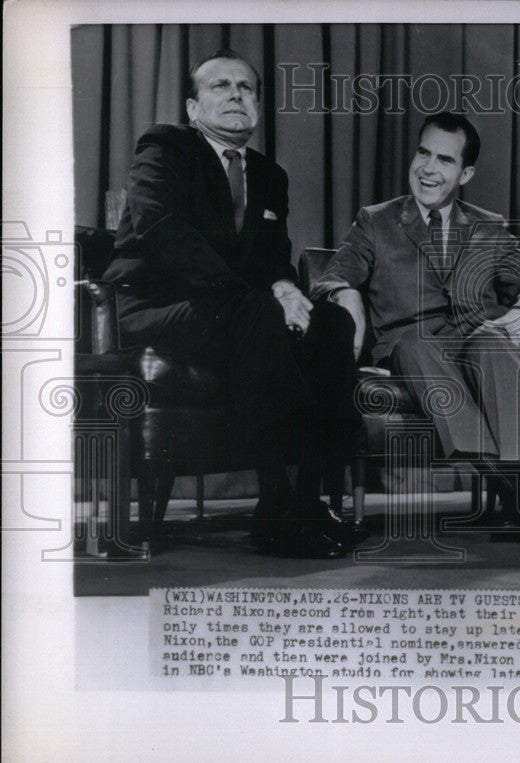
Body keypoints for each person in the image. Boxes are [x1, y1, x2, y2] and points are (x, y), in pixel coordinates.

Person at [104, 49, 359, 559]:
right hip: (159, 307)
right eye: (220, 86)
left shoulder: (269, 175)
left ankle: (306, 503)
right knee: (261, 315)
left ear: (258, 108)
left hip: (234, 313)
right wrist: (260, 298)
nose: (236, 94)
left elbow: (273, 258)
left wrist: (288, 289)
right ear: (193, 108)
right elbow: (163, 232)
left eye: (246, 87)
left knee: (329, 321)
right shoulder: (165, 146)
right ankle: (276, 504)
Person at [311, 112, 520, 544]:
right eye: (423, 153)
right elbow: (328, 279)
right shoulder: (376, 221)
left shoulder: (490, 226)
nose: (428, 168)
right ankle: (514, 497)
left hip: (477, 346)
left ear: (465, 172)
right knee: (416, 345)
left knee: (489, 341)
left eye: (444, 160)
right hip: (411, 351)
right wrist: (345, 295)